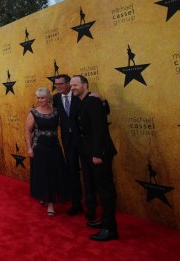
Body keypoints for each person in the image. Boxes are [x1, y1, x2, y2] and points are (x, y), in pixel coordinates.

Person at [70, 75, 119, 241]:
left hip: (100, 153)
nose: (73, 87)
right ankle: (105, 222)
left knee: (105, 191)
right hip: (92, 152)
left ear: (85, 85)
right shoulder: (86, 102)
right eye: (71, 85)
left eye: (76, 84)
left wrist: (98, 153)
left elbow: (100, 129)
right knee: (100, 189)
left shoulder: (92, 101)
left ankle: (110, 229)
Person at [53, 74, 97, 221]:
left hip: (84, 141)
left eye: (60, 84)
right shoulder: (56, 98)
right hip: (68, 142)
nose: (57, 86)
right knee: (72, 173)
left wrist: (101, 99)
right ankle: (76, 204)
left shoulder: (81, 95)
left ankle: (91, 208)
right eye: (56, 84)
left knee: (88, 174)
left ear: (68, 84)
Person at [24, 87, 68, 216]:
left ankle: (47, 196)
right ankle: (50, 204)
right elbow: (27, 131)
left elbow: (64, 126)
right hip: (39, 147)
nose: (40, 100)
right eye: (38, 98)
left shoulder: (56, 111)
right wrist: (29, 148)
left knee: (54, 173)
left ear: (48, 98)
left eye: (42, 98)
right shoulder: (33, 113)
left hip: (54, 146)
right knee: (44, 174)